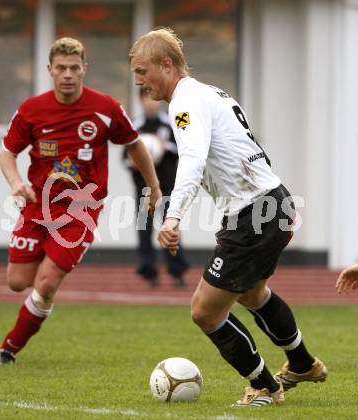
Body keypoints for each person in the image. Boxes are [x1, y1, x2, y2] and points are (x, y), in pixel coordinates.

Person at [129, 28, 327, 407]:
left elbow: (192, 159)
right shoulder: (211, 92)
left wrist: (172, 217)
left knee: (204, 311)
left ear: (166, 65)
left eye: (142, 71)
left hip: (254, 211)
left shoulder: (184, 102)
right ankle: (302, 363)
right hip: (274, 201)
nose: (138, 80)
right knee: (252, 294)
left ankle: (266, 387)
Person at [0, 37, 162, 364]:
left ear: (85, 69)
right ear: (50, 70)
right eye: (61, 68)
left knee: (46, 281)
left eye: (75, 68)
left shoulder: (106, 109)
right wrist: (16, 182)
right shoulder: (31, 110)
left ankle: (9, 348)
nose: (68, 74)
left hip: (79, 211)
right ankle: (41, 291)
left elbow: (135, 145)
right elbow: (7, 152)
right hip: (37, 206)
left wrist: (154, 187)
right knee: (17, 282)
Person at [124, 88, 190, 288]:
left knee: (170, 229)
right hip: (144, 190)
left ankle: (177, 271)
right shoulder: (134, 125)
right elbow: (125, 158)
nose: (151, 103)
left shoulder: (173, 121)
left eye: (154, 98)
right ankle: (149, 271)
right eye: (146, 98)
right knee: (144, 230)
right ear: (140, 101)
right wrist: (133, 162)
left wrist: (164, 147)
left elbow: (185, 146)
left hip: (168, 186)